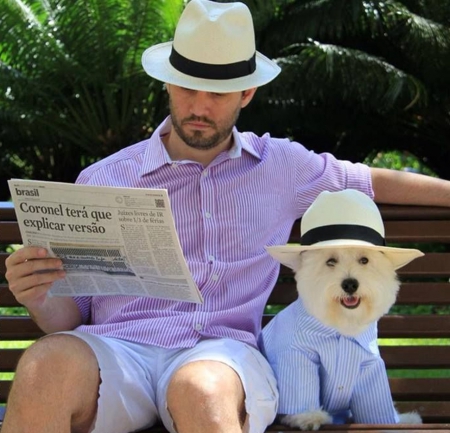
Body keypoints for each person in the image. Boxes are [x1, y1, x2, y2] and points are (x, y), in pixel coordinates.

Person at [3, 1, 450, 433]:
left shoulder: (282, 167)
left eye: (217, 94)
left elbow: (371, 182)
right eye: (187, 88)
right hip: (119, 350)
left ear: (246, 93)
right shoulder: (103, 179)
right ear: (167, 85)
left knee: (200, 389)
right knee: (45, 366)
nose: (199, 108)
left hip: (222, 354)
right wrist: (38, 295)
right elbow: (69, 318)